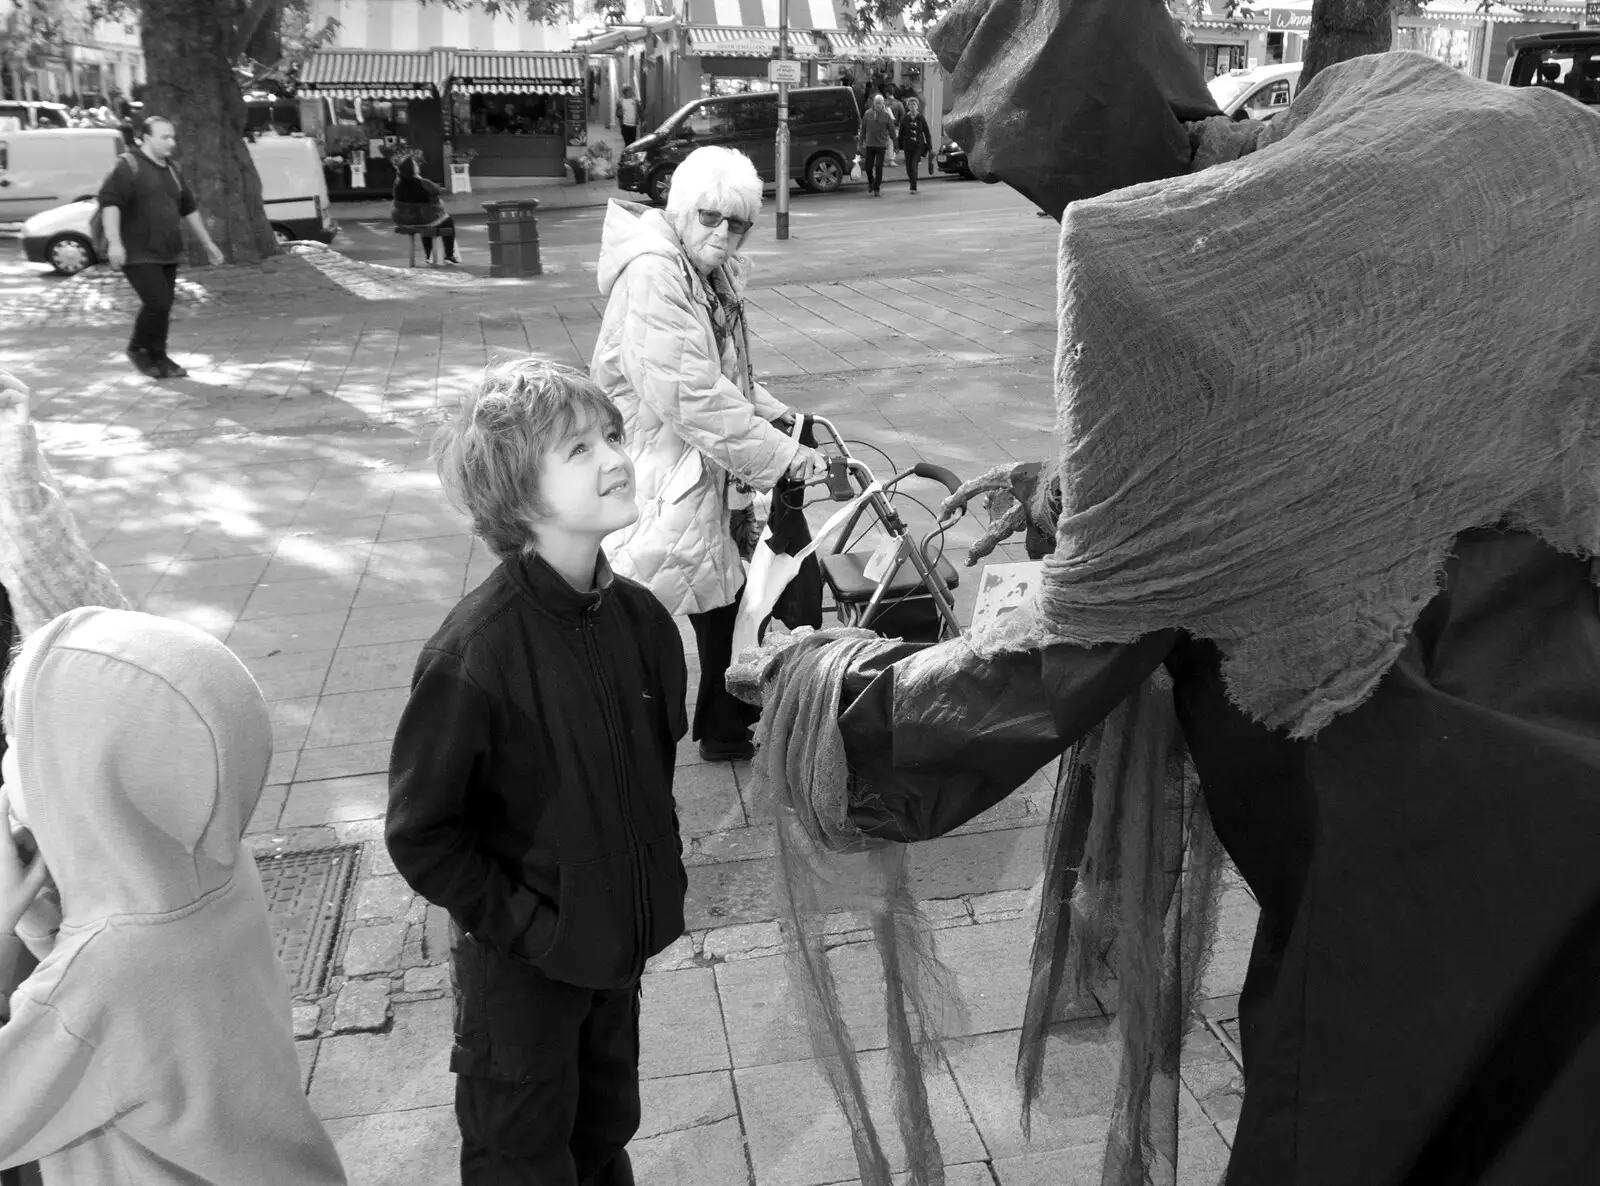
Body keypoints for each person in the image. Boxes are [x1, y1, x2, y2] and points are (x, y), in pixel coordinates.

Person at [387, 360, 688, 1185]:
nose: (615, 459)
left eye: (613, 436)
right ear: (517, 494)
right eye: (578, 449)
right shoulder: (475, 652)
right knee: (522, 1159)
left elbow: (648, 781)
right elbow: (424, 835)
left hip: (614, 953)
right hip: (522, 975)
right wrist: (537, 930)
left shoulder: (644, 622)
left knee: (602, 1136)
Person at [0, 606, 348, 1185]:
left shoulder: (105, 977)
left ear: (88, 778)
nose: (8, 767)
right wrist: (40, 920)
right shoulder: (213, 867)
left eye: (21, 743)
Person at [589, 146, 827, 762]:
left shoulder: (700, 270)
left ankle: (723, 728)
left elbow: (721, 377)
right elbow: (688, 393)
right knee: (645, 617)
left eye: (738, 223)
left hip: (697, 468)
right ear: (679, 208)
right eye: (710, 217)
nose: (723, 234)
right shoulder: (655, 275)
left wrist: (780, 417)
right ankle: (630, 751)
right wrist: (778, 455)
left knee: (724, 599)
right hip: (660, 472)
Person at [96, 114, 225, 380]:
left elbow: (188, 209)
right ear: (145, 137)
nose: (171, 143)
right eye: (164, 137)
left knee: (163, 306)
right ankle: (138, 349)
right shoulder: (127, 166)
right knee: (158, 301)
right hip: (137, 251)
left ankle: (159, 355)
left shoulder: (173, 170)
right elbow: (110, 205)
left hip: (167, 250)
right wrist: (115, 242)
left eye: (173, 136)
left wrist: (207, 243)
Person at [391, 156, 457, 265]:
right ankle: (449, 254)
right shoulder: (422, 182)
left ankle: (428, 255)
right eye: (415, 165)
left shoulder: (397, 183)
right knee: (447, 222)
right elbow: (437, 190)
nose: (417, 166)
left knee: (424, 223)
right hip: (423, 217)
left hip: (403, 219)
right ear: (412, 169)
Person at [857, 93, 895, 198]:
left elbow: (891, 130)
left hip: (881, 145)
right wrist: (860, 144)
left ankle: (876, 188)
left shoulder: (886, 115)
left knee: (879, 166)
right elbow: (863, 129)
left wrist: (896, 145)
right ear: (873, 103)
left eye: (880, 103)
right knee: (868, 167)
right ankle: (871, 181)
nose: (878, 105)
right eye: (876, 103)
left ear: (883, 104)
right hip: (869, 144)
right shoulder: (867, 114)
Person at [896, 96, 933, 193]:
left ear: (917, 106)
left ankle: (913, 187)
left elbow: (926, 132)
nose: (912, 106)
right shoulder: (905, 118)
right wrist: (898, 146)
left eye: (914, 104)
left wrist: (930, 147)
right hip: (908, 145)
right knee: (908, 167)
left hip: (918, 145)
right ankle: (912, 179)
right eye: (910, 104)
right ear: (908, 106)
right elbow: (901, 133)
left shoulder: (921, 118)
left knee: (914, 164)